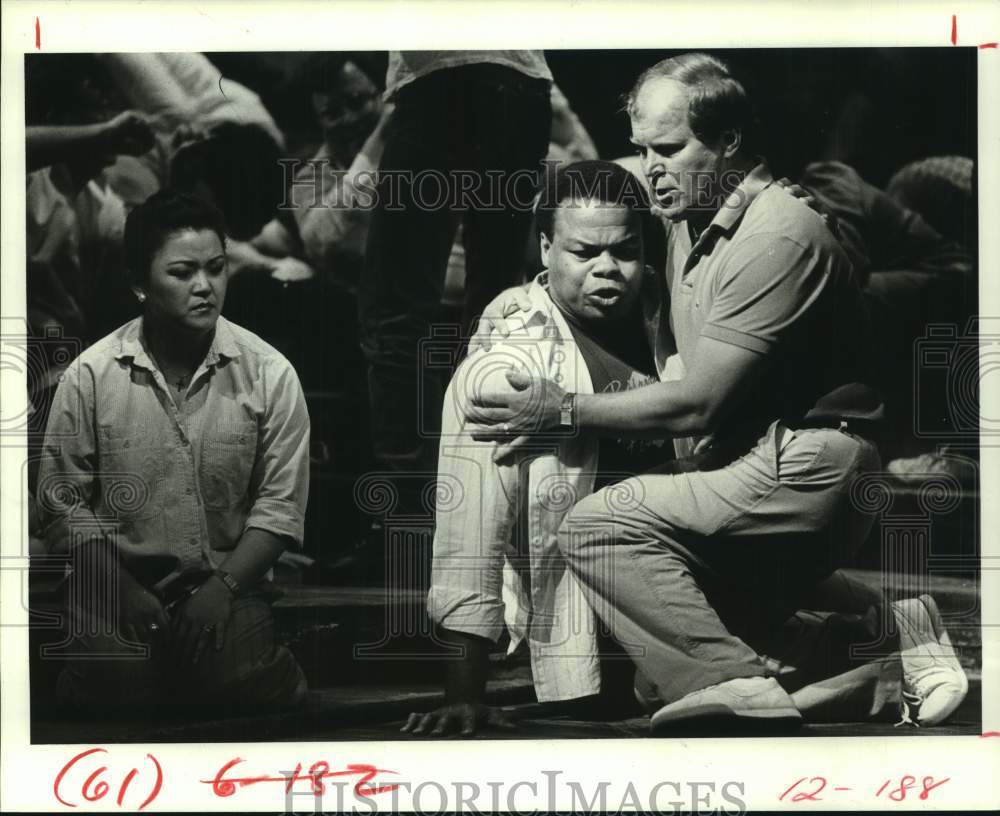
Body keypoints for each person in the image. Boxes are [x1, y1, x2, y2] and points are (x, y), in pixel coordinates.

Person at [465, 53, 968, 732]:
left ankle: (742, 689)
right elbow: (598, 240)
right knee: (656, 681)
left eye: (668, 149)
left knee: (599, 526)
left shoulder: (778, 233)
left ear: (729, 141)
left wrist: (560, 408)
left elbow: (697, 401)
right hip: (744, 462)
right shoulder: (685, 208)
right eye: (643, 149)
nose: (650, 167)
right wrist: (524, 301)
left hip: (808, 464)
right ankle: (878, 645)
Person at [402, 161, 669, 737]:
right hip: (596, 621)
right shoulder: (510, 363)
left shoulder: (671, 313)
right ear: (546, 248)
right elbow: (470, 528)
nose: (607, 269)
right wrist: (464, 693)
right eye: (583, 252)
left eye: (624, 250)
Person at [37, 191, 310, 712]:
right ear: (141, 283)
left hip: (226, 581)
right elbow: (63, 504)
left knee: (238, 685)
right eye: (182, 273)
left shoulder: (270, 373)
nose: (205, 287)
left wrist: (223, 589)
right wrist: (120, 590)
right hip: (115, 579)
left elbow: (280, 507)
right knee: (115, 691)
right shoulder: (92, 375)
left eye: (216, 268)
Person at [360, 51, 553, 510]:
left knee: (395, 312)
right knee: (496, 305)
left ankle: (405, 516)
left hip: (443, 80)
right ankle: (486, 507)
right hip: (521, 85)